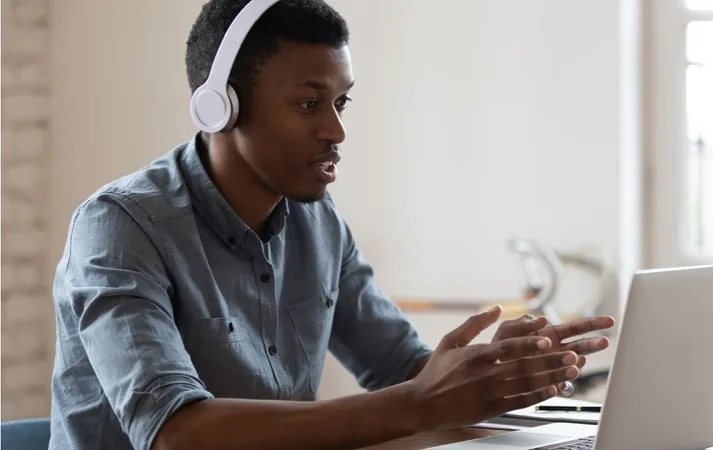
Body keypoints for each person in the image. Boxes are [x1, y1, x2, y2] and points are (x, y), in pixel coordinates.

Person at [48, 1, 615, 449]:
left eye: (342, 103)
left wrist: (491, 373)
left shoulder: (317, 221)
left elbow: (401, 369)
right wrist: (420, 402)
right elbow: (175, 434)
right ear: (221, 107)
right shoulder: (120, 227)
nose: (336, 131)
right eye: (308, 104)